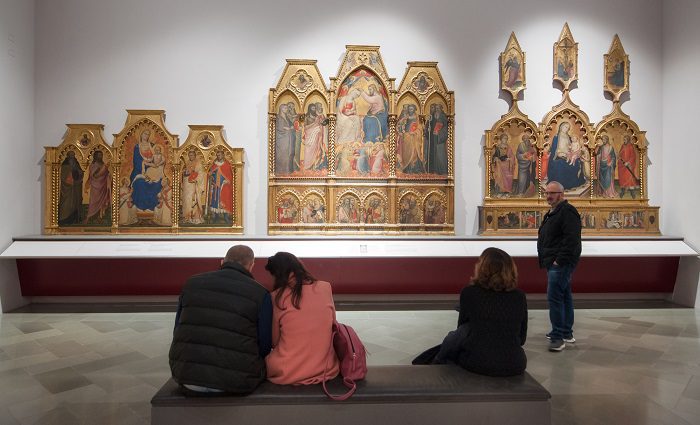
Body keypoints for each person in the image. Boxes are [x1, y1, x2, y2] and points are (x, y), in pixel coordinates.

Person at [169, 245, 272, 395]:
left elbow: (178, 327)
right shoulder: (260, 293)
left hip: (187, 375)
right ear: (251, 266)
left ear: (222, 261)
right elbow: (264, 344)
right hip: (236, 380)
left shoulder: (192, 284)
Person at [413, 247, 527, 377]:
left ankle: (436, 363)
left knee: (453, 339)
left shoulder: (470, 292)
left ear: (482, 268)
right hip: (514, 363)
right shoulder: (519, 296)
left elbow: (464, 330)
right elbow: (521, 338)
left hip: (477, 362)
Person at [264, 252, 340, 385]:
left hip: (287, 370)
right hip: (326, 366)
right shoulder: (325, 287)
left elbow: (275, 342)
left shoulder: (277, 297)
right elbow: (333, 324)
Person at [538, 181, 582, 352]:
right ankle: (566, 333)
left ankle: (558, 337)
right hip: (553, 261)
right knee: (564, 296)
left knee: (554, 298)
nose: (548, 196)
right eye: (547, 193)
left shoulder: (567, 211)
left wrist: (559, 260)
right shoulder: (554, 212)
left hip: (561, 262)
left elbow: (572, 239)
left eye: (552, 193)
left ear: (562, 194)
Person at [547, 122, 586, 190]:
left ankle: (573, 183)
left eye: (568, 128)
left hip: (568, 154)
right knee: (560, 164)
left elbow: (573, 146)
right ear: (561, 127)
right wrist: (560, 153)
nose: (566, 129)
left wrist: (574, 152)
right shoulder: (556, 137)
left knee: (576, 162)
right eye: (565, 127)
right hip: (558, 155)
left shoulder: (569, 137)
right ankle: (560, 185)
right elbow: (554, 149)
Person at [84, 150, 111, 224]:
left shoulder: (102, 164)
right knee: (93, 202)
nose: (100, 156)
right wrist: (104, 168)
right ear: (95, 156)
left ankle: (100, 217)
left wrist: (107, 172)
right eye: (99, 155)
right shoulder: (93, 165)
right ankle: (89, 217)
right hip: (96, 187)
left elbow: (106, 174)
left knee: (102, 202)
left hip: (103, 185)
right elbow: (94, 176)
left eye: (101, 155)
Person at [58, 150, 84, 226]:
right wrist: (71, 175)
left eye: (73, 155)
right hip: (68, 189)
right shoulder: (65, 164)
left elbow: (80, 171)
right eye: (71, 156)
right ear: (68, 156)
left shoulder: (76, 163)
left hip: (75, 188)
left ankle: (75, 219)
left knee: (75, 202)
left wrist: (79, 173)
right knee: (66, 203)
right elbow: (64, 175)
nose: (72, 157)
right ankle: (63, 219)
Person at [207, 150, 233, 224]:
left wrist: (227, 181)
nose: (219, 157)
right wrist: (211, 177)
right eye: (217, 155)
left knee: (224, 200)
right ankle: (216, 216)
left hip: (224, 186)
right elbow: (210, 174)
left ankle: (225, 216)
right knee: (215, 200)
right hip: (215, 186)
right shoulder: (214, 165)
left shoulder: (227, 165)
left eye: (220, 155)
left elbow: (230, 176)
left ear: (223, 155)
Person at [181, 150, 205, 224]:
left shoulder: (198, 163)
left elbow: (200, 174)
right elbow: (184, 172)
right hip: (186, 184)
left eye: (192, 155)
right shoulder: (187, 162)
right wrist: (184, 172)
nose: (190, 156)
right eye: (189, 155)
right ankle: (187, 217)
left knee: (192, 200)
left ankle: (194, 217)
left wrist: (195, 178)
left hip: (193, 184)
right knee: (186, 200)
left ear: (195, 155)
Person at [424, 104, 449, 175]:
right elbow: (428, 127)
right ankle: (432, 170)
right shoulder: (432, 117)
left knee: (440, 154)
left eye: (438, 108)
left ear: (441, 109)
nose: (437, 110)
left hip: (439, 140)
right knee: (432, 153)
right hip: (432, 139)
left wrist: (439, 133)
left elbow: (446, 129)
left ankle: (442, 171)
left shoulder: (443, 117)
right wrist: (428, 129)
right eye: (436, 108)